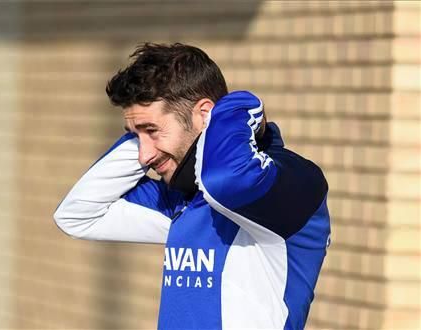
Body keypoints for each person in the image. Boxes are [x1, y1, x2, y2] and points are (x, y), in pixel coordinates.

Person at [54, 42, 331, 330]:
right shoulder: (181, 199)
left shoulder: (292, 184)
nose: (143, 156)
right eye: (136, 136)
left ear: (205, 114)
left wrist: (236, 108)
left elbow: (227, 182)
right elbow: (76, 215)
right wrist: (141, 132)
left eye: (152, 130)